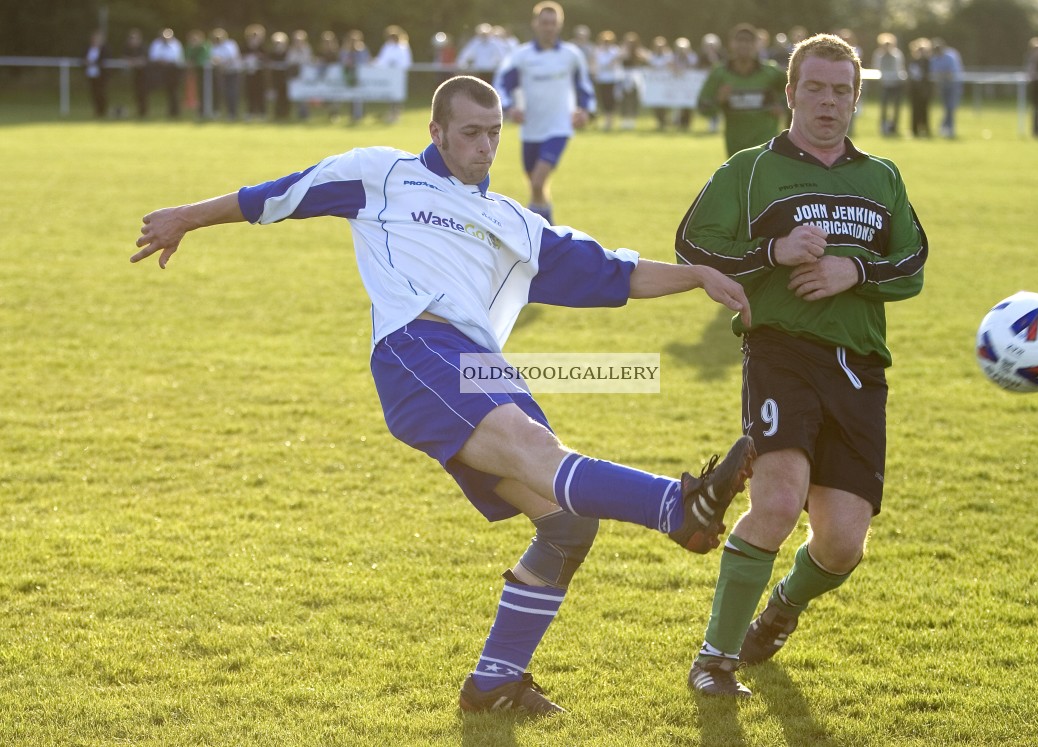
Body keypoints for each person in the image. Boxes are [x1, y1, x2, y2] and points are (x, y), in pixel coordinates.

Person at [131, 74, 755, 716]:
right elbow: (275, 196)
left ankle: (494, 683)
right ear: (436, 131)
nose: (484, 146)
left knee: (567, 523)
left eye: (493, 134)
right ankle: (678, 508)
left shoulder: (513, 220)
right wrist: (187, 217)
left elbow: (611, 270)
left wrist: (697, 275)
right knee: (539, 449)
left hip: (483, 368)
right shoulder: (382, 174)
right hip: (416, 351)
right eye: (470, 133)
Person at [675, 33, 928, 697]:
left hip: (860, 367)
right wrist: (774, 251)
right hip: (780, 351)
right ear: (789, 94)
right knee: (780, 498)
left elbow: (913, 263)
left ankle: (783, 605)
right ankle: (715, 659)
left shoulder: (883, 178)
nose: (827, 102)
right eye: (814, 88)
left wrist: (854, 269)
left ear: (855, 99)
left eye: (841, 91)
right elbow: (691, 245)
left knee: (843, 542)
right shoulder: (750, 170)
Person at [494, 2, 595, 225]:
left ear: (559, 25)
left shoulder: (571, 54)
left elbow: (584, 85)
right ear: (535, 24)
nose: (548, 27)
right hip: (530, 129)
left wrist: (585, 110)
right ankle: (548, 228)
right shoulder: (522, 55)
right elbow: (501, 84)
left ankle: (533, 229)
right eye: (544, 22)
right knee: (535, 186)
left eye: (553, 23)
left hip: (559, 128)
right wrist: (510, 107)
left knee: (538, 182)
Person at [695, 23, 786, 157]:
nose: (744, 44)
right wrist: (718, 100)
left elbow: (796, 94)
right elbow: (703, 106)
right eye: (739, 40)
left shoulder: (771, 72)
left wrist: (783, 107)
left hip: (766, 143)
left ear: (757, 44)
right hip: (735, 145)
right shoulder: (720, 73)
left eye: (749, 41)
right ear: (731, 44)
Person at [374, 25, 413, 123]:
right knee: (390, 95)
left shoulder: (403, 47)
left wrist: (396, 65)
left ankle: (396, 114)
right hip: (388, 75)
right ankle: (390, 113)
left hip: (399, 75)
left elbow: (407, 62)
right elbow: (382, 60)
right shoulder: (387, 46)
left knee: (397, 95)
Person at [870, 32, 906, 136]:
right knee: (884, 106)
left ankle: (894, 127)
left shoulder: (897, 54)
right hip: (884, 84)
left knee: (895, 107)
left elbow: (900, 68)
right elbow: (876, 67)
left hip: (896, 83)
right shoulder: (878, 54)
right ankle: (883, 127)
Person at [929, 38, 963, 138]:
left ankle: (948, 128)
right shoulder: (934, 58)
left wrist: (942, 75)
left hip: (953, 85)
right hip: (942, 85)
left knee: (951, 106)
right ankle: (945, 127)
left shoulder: (951, 56)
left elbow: (951, 73)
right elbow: (934, 72)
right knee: (946, 107)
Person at [148, 28, 185, 118]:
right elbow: (153, 56)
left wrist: (167, 61)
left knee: (173, 91)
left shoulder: (176, 44)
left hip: (173, 70)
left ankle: (175, 112)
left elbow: (178, 58)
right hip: (158, 69)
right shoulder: (156, 44)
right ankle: (148, 111)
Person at [592, 30, 623, 131]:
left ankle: (610, 121)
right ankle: (605, 121)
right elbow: (598, 64)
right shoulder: (598, 51)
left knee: (611, 100)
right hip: (601, 79)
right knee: (603, 100)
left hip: (612, 79)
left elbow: (615, 64)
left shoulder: (615, 51)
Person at [210, 28, 242, 120]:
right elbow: (213, 59)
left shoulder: (230, 44)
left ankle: (232, 113)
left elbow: (232, 57)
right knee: (220, 92)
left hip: (233, 72)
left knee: (232, 92)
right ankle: (219, 111)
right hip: (221, 72)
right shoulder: (214, 46)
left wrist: (222, 64)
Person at [907, 37, 933, 138]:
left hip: (924, 89)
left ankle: (926, 130)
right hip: (914, 90)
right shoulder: (912, 61)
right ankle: (914, 130)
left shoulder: (928, 61)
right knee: (914, 110)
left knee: (924, 110)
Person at [243, 24, 268, 120]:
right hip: (249, 73)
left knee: (260, 93)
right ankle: (250, 112)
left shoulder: (262, 47)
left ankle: (262, 113)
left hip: (260, 73)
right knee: (250, 93)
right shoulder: (245, 47)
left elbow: (266, 58)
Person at [84, 30, 110, 119]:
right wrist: (86, 62)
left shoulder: (104, 49)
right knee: (93, 93)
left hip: (100, 75)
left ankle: (103, 110)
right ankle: (96, 110)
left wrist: (93, 62)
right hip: (91, 74)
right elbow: (82, 58)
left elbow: (103, 61)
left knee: (101, 92)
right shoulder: (88, 48)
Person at [123, 28, 149, 119]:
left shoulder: (143, 47)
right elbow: (125, 58)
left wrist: (133, 62)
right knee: (136, 93)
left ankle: (144, 111)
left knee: (143, 92)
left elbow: (143, 60)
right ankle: (139, 110)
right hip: (134, 75)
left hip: (143, 75)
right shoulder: (128, 48)